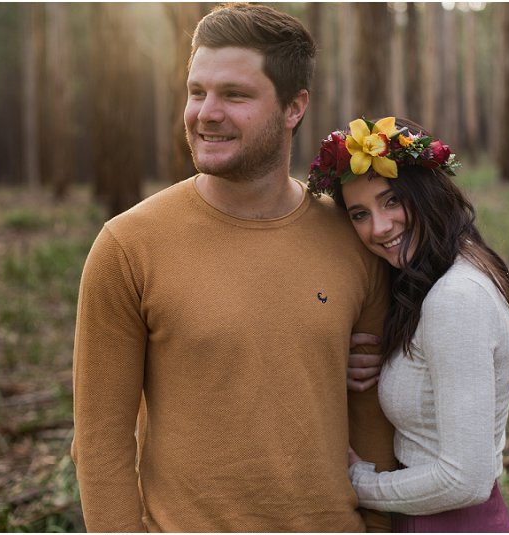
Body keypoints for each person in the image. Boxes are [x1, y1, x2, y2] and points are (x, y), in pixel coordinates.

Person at [71, 4, 396, 532]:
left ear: (294, 107)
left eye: (235, 95)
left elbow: (373, 417)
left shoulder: (353, 238)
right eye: (197, 91)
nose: (207, 112)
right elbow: (100, 441)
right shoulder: (128, 246)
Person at [307, 116, 509, 532]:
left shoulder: (456, 297)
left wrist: (359, 484)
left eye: (392, 200)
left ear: (425, 190)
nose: (379, 227)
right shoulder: (437, 275)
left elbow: (465, 480)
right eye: (359, 214)